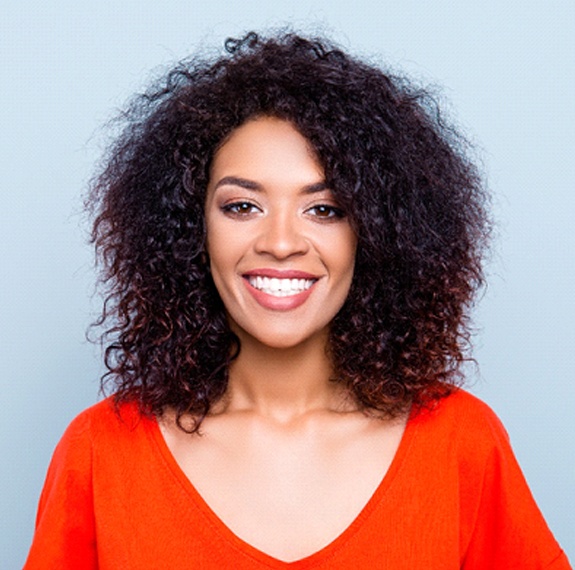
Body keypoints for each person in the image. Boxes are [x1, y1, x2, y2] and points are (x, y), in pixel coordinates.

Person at [25, 32, 571, 569]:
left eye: (325, 209)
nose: (281, 243)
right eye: (241, 207)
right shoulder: (100, 452)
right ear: (192, 227)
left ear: (377, 233)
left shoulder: (462, 443)